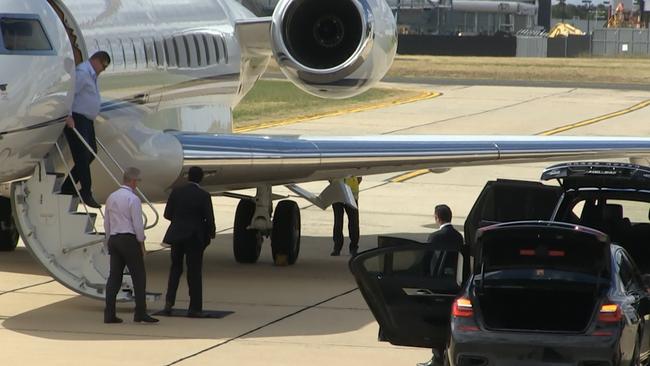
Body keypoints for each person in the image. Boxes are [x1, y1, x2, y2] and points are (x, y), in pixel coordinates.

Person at [103, 167, 158, 324]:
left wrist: (109, 240)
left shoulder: (111, 197)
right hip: (128, 239)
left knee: (114, 277)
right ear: (133, 181)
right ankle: (140, 312)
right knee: (139, 276)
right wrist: (142, 243)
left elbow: (107, 222)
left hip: (114, 238)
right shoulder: (133, 199)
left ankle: (109, 313)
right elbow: (137, 225)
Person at [60, 51, 111, 209]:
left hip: (86, 120)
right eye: (103, 66)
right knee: (83, 154)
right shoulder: (82, 73)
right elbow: (69, 94)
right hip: (77, 118)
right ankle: (86, 192)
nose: (102, 70)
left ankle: (68, 186)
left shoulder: (91, 74)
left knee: (91, 152)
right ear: (96, 61)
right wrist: (68, 115)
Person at [162, 166, 216, 318]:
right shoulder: (203, 195)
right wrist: (210, 233)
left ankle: (169, 302)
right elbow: (209, 218)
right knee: (194, 272)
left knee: (175, 269)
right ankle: (195, 307)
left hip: (177, 235)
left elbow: (167, 214)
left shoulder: (176, 192)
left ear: (188, 177)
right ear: (201, 178)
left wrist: (179, 222)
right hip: (194, 237)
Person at [417, 204, 464, 366]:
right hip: (454, 286)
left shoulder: (435, 237)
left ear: (437, 218)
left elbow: (426, 261)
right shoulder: (458, 237)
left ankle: (437, 358)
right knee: (449, 322)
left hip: (437, 286)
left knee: (435, 323)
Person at [331, 176, 362, 256]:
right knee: (338, 222)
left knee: (353, 222)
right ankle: (337, 248)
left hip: (351, 194)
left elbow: (359, 177)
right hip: (337, 194)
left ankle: (353, 247)